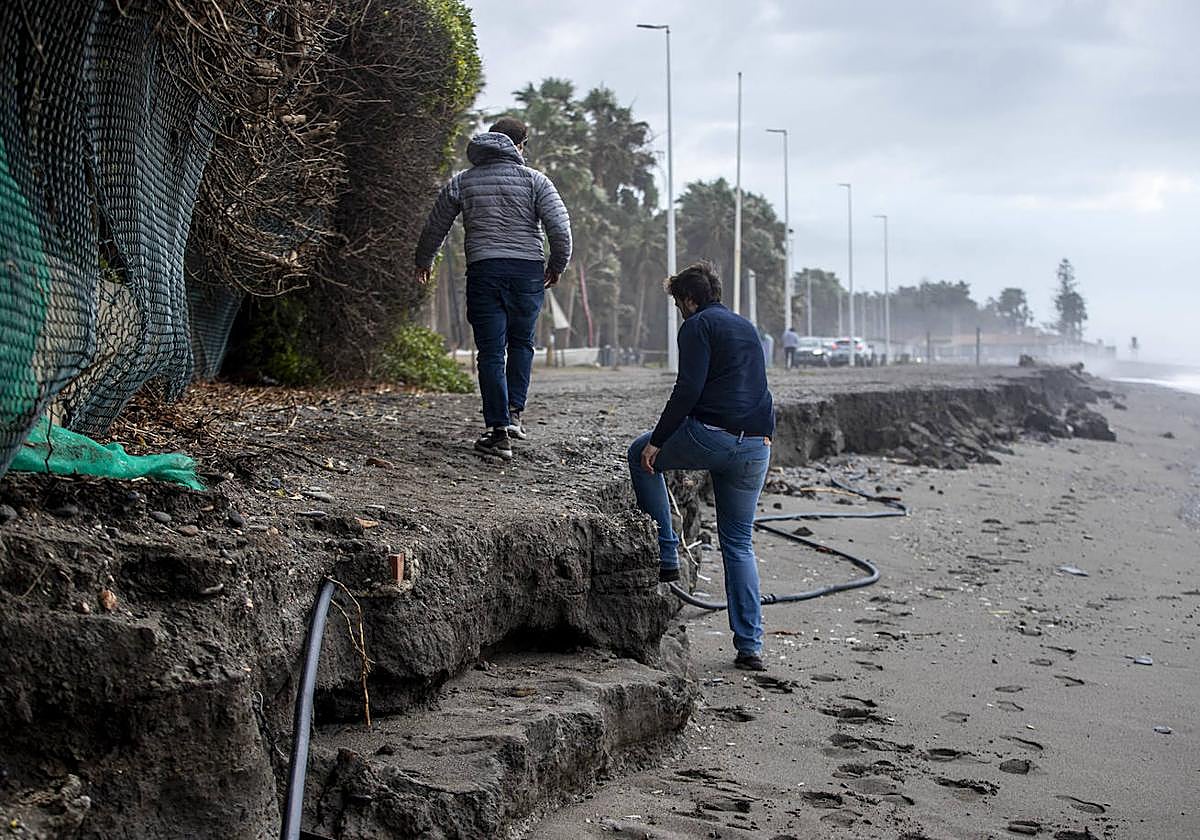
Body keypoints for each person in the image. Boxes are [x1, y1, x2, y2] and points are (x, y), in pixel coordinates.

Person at [627, 262, 775, 671]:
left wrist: (658, 441)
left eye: (678, 302)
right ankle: (750, 646)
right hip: (757, 445)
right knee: (739, 544)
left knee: (641, 457)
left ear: (689, 300)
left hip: (711, 436)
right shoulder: (747, 328)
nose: (679, 309)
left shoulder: (696, 326)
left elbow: (687, 389)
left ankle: (667, 553)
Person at [414, 116, 572, 460]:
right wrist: (556, 266)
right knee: (521, 344)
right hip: (527, 271)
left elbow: (435, 225)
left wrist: (424, 259)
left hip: (484, 270)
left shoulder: (463, 181)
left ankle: (498, 431)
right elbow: (560, 230)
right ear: (519, 145)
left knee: (489, 352)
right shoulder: (536, 181)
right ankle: (515, 414)